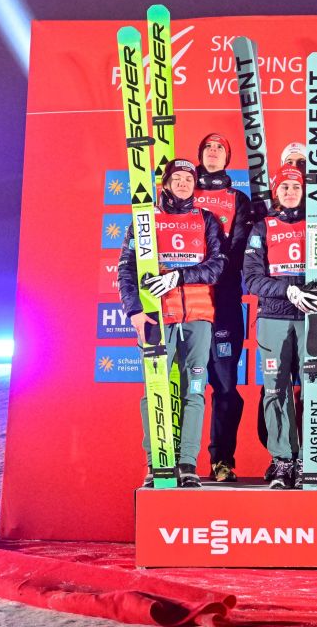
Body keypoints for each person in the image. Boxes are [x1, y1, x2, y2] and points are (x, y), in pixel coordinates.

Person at [118, 159, 225, 488]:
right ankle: (157, 463)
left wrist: (179, 276)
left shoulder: (206, 219)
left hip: (198, 316)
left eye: (188, 179)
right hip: (157, 316)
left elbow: (217, 266)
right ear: (164, 183)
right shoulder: (146, 220)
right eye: (176, 178)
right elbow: (126, 268)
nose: (182, 184)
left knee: (195, 390)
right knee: (155, 390)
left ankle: (188, 463)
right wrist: (134, 311)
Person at [242, 165, 317, 488]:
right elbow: (252, 278)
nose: (290, 192)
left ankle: (311, 459)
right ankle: (283, 459)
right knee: (275, 389)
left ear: (304, 192)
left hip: (312, 318)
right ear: (276, 193)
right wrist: (288, 290)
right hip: (274, 316)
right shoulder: (263, 227)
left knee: (314, 387)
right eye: (284, 187)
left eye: (295, 187)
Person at [192, 133, 255, 483]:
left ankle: (222, 461)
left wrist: (215, 270)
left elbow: (242, 248)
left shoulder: (238, 199)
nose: (213, 152)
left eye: (220, 148)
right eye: (208, 147)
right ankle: (176, 459)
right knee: (182, 383)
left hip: (224, 301)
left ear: (227, 158)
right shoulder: (183, 191)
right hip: (184, 301)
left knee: (226, 385)